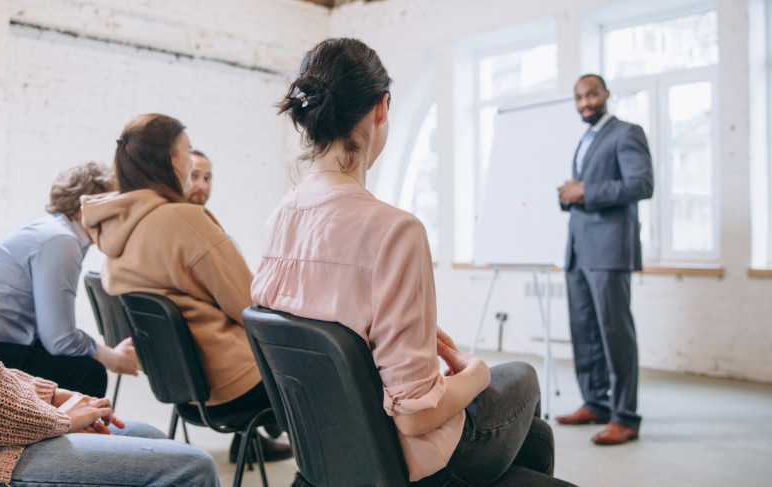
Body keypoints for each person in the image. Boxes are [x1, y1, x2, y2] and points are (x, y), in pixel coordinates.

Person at [251, 38, 575, 487]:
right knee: (519, 375)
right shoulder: (395, 231)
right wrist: (476, 375)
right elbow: (415, 417)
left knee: (537, 437)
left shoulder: (277, 220)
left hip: (327, 452)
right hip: (407, 463)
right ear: (382, 108)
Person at [0, 91, 219, 487]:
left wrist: (51, 396)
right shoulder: (59, 241)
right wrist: (60, 414)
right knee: (187, 461)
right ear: (88, 204)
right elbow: (52, 340)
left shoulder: (58, 237)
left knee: (145, 434)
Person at [81, 113, 292, 464]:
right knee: (336, 376)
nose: (189, 160)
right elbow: (250, 304)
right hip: (235, 385)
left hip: (184, 390)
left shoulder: (117, 231)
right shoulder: (182, 219)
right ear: (173, 159)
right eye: (187, 151)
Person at [0, 162, 139, 398]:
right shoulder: (62, 241)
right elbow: (59, 339)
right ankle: (74, 433)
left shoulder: (53, 231)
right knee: (88, 372)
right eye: (113, 206)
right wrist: (111, 358)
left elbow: (54, 334)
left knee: (75, 360)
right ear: (86, 207)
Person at [555, 73, 653, 445]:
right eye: (579, 97)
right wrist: (570, 194)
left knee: (616, 334)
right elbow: (588, 189)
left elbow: (642, 184)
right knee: (585, 331)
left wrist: (586, 190)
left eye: (592, 94)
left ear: (607, 94)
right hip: (580, 250)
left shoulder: (627, 132)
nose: (585, 103)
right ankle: (596, 402)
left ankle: (626, 417)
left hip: (610, 250)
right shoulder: (587, 138)